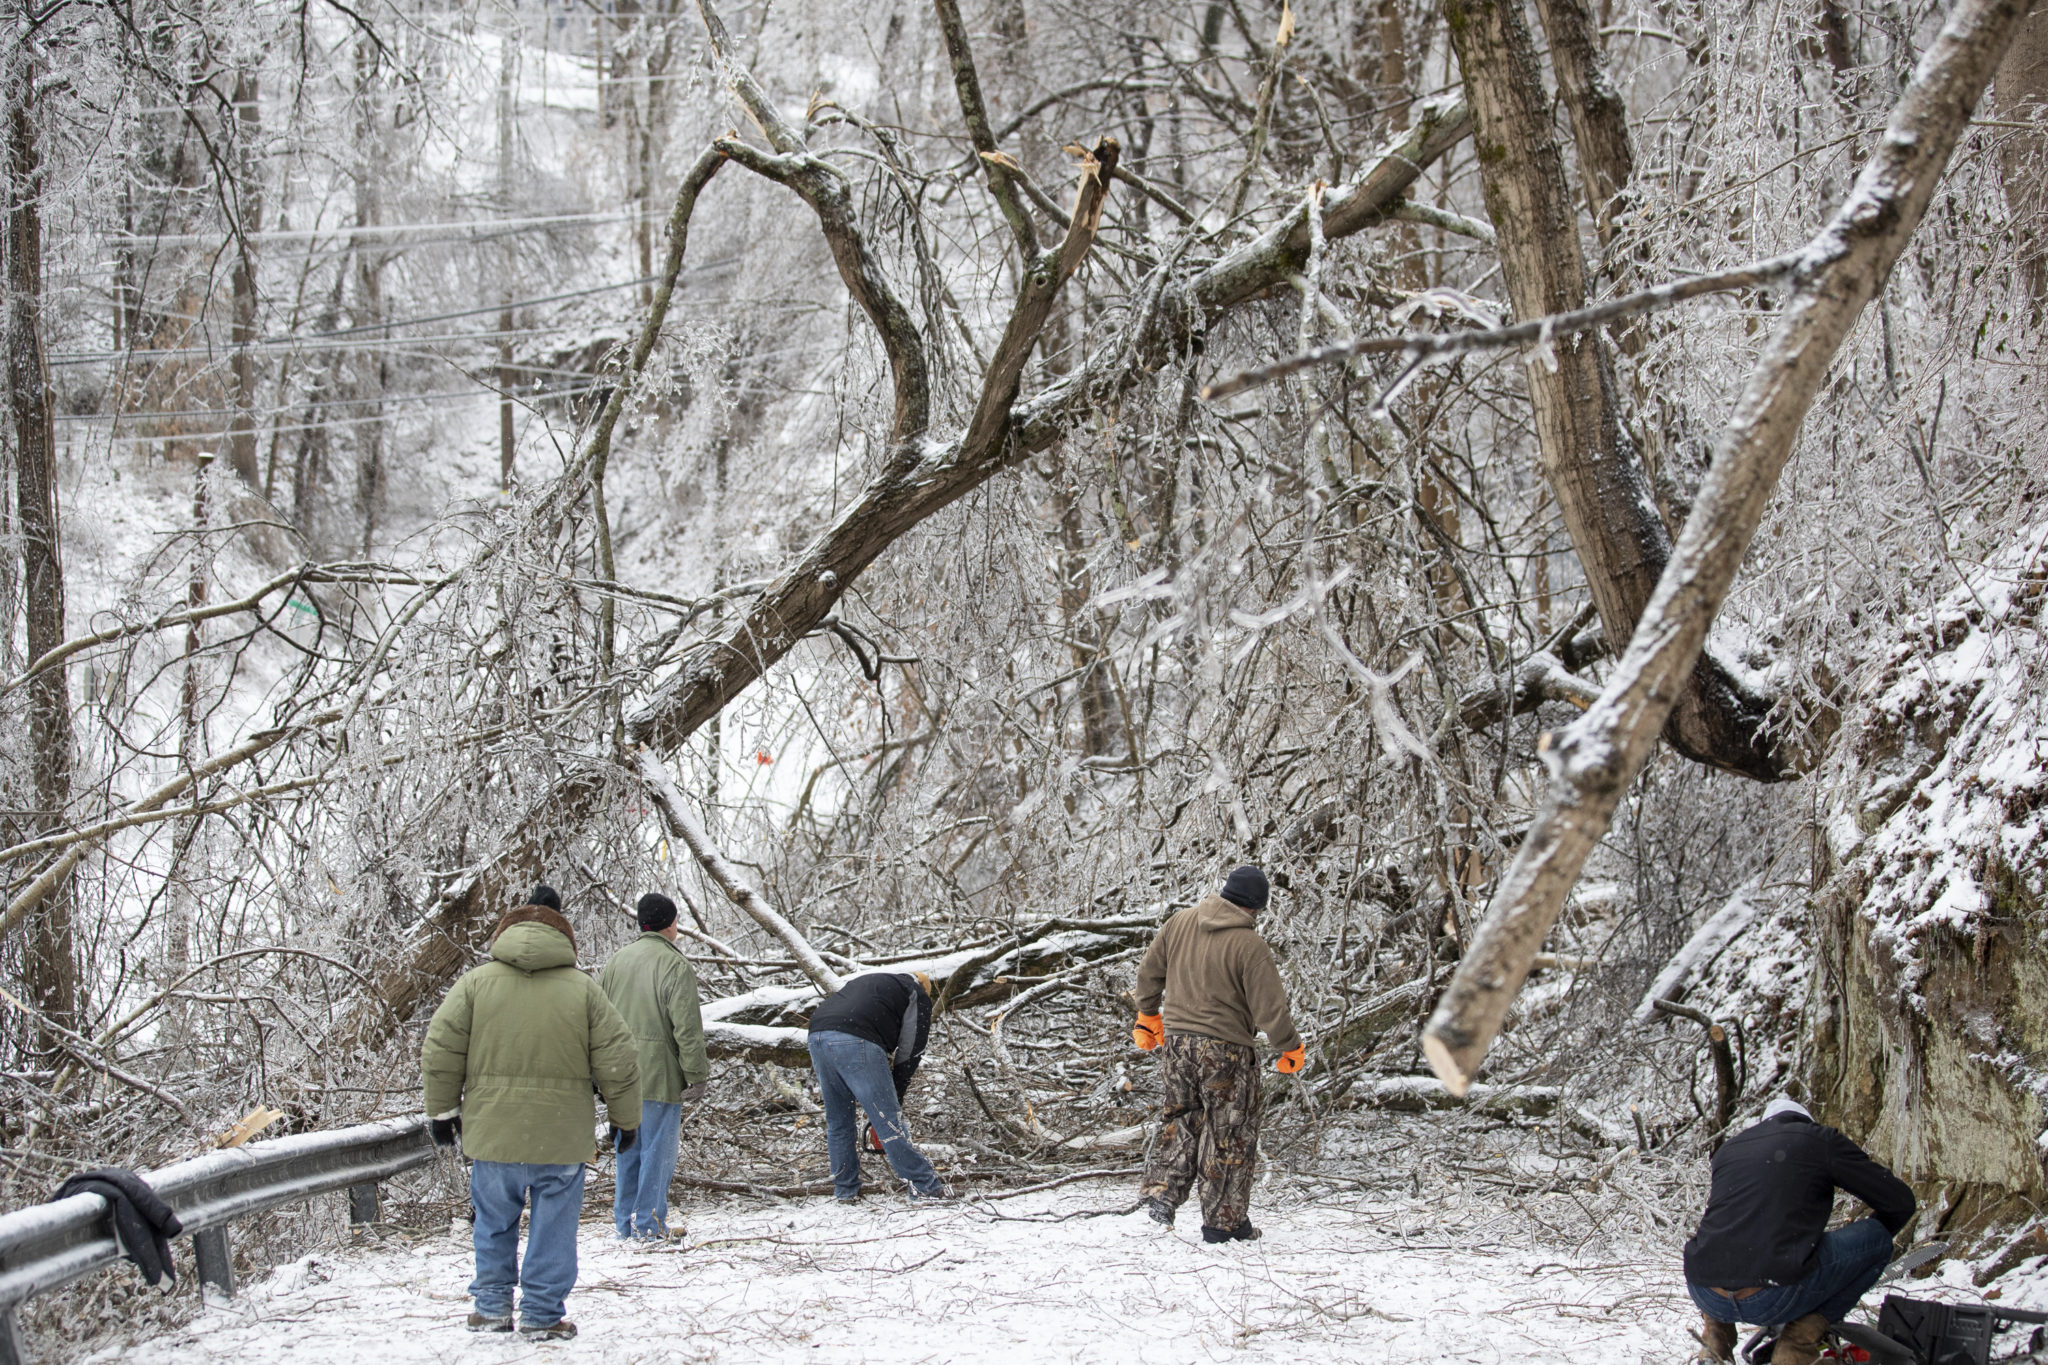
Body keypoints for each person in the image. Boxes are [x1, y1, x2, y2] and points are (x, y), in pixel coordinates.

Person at [422, 885, 641, 1341]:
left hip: (493, 1133)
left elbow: (441, 1047)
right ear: (564, 935)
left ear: (508, 929)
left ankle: (492, 1307)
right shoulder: (583, 991)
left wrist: (442, 1112)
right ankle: (542, 1312)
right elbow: (618, 1060)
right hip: (560, 1137)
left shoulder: (475, 985)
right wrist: (626, 1120)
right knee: (554, 1227)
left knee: (494, 1220)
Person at [1132, 865, 1305, 1244]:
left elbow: (1148, 973)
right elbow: (1269, 1009)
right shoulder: (1250, 946)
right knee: (1229, 1132)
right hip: (1226, 1050)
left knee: (1181, 1117)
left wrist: (1147, 1014)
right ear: (1256, 908)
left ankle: (1161, 1194)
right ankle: (1223, 1223)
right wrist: (1289, 1046)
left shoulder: (1179, 923)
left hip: (1177, 1045)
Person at [1684, 1096, 1917, 1365]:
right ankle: (1795, 1348)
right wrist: (1860, 1255)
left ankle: (1715, 1341)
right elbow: (1900, 1201)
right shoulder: (1818, 1140)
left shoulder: (1730, 1148)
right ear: (1806, 1122)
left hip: (1705, 1292)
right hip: (1773, 1293)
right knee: (1875, 1238)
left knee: (1721, 1247)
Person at [598, 892, 710, 1241]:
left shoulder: (616, 961)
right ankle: (649, 1225)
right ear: (671, 923)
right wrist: (696, 1075)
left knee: (627, 1150)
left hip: (619, 1075)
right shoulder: (675, 965)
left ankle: (625, 1225)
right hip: (659, 1075)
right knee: (657, 1154)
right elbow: (687, 1029)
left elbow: (597, 1017)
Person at [806, 970, 948, 1201]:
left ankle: (845, 1190)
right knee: (887, 1120)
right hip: (855, 1037)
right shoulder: (916, 993)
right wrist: (896, 1096)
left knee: (839, 1121)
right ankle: (925, 1185)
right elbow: (911, 1050)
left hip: (818, 1035)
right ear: (924, 988)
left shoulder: (871, 982)